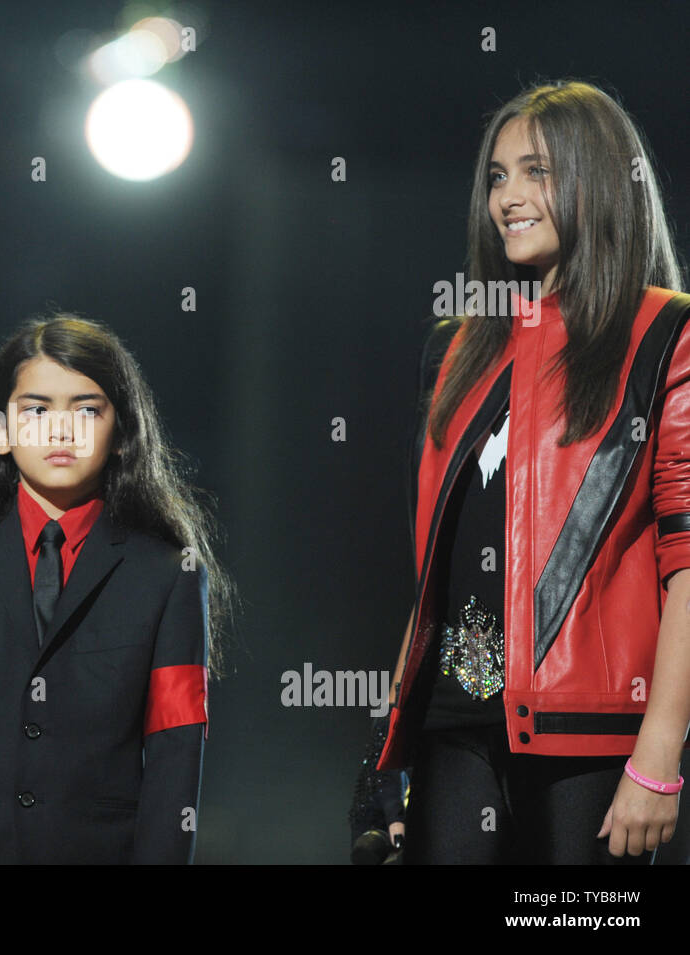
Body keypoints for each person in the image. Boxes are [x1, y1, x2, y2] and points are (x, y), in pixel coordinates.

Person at [375, 80, 690, 864]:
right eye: (496, 176)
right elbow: (435, 573)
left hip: (592, 739)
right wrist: (386, 754)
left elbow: (687, 563)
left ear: (598, 177)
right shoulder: (457, 348)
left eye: (536, 172)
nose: (507, 196)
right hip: (456, 725)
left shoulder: (665, 334)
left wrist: (657, 757)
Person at [0, 315, 232, 863]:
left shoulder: (169, 575)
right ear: (1, 428)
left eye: (87, 410)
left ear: (122, 432)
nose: (61, 431)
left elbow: (174, 754)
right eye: (35, 409)